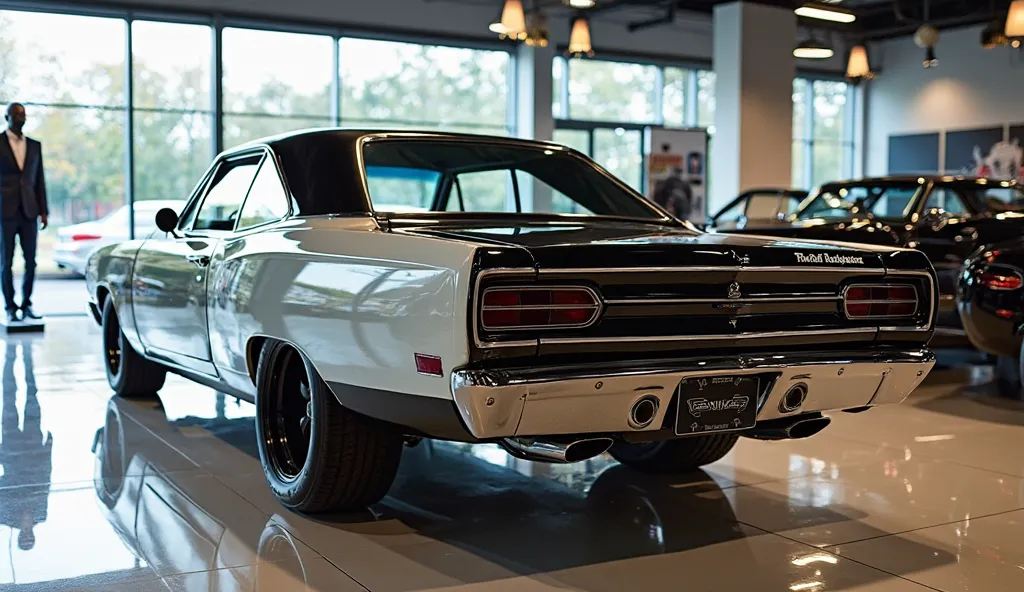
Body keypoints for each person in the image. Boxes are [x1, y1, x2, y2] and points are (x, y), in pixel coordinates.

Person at [0, 102, 48, 323]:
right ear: (7, 117)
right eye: (18, 115)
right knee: (5, 262)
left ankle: (27, 304)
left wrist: (43, 211)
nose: (22, 118)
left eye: (24, 114)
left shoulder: (35, 146)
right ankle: (10, 307)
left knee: (31, 261)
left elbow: (39, 180)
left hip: (29, 211)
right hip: (5, 211)